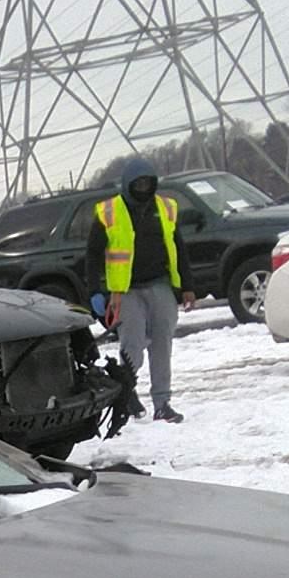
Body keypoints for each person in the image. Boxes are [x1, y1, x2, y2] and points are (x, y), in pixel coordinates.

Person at [87, 158, 186, 424]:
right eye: (138, 184)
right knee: (132, 347)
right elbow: (93, 255)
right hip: (125, 292)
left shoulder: (165, 208)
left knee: (162, 344)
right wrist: (95, 291)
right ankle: (127, 393)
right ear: (128, 185)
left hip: (159, 285)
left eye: (147, 183)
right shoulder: (109, 212)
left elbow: (178, 247)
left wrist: (187, 286)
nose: (143, 188)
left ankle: (163, 403)